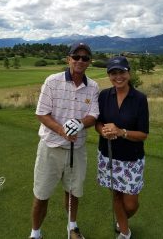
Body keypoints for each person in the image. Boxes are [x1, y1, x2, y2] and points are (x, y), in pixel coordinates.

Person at [29, 42, 99, 239]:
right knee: (41, 195)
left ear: (89, 62)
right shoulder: (52, 81)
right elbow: (42, 114)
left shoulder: (93, 86)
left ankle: (72, 227)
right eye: (76, 57)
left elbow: (93, 115)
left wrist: (80, 123)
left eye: (85, 58)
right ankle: (35, 233)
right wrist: (62, 130)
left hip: (77, 149)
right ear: (68, 59)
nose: (80, 61)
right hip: (50, 148)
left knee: (73, 191)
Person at [95, 56, 149, 239]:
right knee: (116, 196)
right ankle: (125, 232)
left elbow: (143, 134)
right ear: (109, 76)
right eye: (113, 73)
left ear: (129, 73)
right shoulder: (104, 95)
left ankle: (123, 220)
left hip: (131, 159)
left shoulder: (140, 99)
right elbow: (98, 122)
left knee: (131, 204)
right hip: (108, 156)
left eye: (122, 72)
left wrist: (121, 132)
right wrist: (102, 130)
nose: (118, 76)